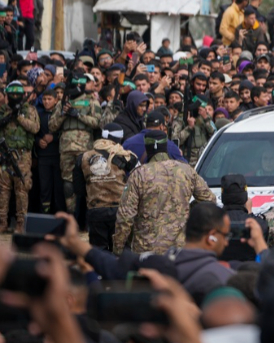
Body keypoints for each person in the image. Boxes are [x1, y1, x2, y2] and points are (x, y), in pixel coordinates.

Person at [112, 130, 216, 255]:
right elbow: (209, 199)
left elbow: (125, 216)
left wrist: (118, 249)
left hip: (147, 250)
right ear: (165, 147)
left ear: (147, 148)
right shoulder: (186, 170)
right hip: (180, 249)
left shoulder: (139, 174)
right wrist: (188, 209)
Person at [79, 122, 138, 251]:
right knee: (121, 251)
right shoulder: (127, 157)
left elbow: (78, 189)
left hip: (96, 211)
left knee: (98, 252)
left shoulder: (83, 157)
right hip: (120, 211)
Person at [48, 72, 102, 213]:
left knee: (88, 182)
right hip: (66, 147)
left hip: (85, 147)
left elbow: (97, 122)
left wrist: (78, 115)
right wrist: (64, 114)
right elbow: (52, 126)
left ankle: (87, 217)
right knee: (68, 184)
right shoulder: (62, 103)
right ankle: (72, 216)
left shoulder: (91, 102)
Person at [166, 202, 235, 304]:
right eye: (225, 236)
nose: (226, 243)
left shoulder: (158, 270)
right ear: (211, 237)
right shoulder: (224, 278)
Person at [0, 81, 39, 232]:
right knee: (3, 189)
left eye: (18, 94)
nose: (15, 97)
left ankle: (21, 223)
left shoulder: (29, 110)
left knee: (22, 189)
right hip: (4, 155)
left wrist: (19, 117)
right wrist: (9, 116)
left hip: (23, 156)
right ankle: (2, 223)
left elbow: (35, 128)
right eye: (12, 95)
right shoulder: (3, 110)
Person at [218, 174, 268, 262]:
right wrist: (250, 214)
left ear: (223, 195)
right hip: (251, 272)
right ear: (245, 196)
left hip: (219, 272)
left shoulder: (212, 224)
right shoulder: (258, 225)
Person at [121, 109, 187, 163]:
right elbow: (185, 166)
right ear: (161, 126)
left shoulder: (128, 142)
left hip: (133, 178)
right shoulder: (168, 145)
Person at [34, 87, 61, 213]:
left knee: (58, 189)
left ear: (56, 100)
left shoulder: (59, 115)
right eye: (44, 99)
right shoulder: (38, 115)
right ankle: (44, 216)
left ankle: (59, 216)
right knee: (44, 189)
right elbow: (33, 133)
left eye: (49, 99)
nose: (46, 102)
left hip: (57, 156)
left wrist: (53, 138)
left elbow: (64, 133)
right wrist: (38, 141)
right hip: (43, 157)